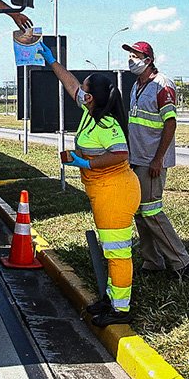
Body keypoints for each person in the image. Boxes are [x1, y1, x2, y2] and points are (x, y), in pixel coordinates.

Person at [38, 42, 141, 326]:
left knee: (118, 253)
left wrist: (85, 163)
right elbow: (69, 83)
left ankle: (121, 310)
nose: (80, 91)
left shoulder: (107, 125)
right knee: (112, 251)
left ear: (92, 97)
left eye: (86, 89)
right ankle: (111, 299)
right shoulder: (90, 111)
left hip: (116, 193)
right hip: (103, 191)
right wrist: (52, 62)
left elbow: (122, 153)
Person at [122, 41, 189, 279]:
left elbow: (170, 123)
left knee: (152, 211)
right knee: (140, 212)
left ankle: (181, 261)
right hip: (137, 158)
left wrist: (158, 159)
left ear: (148, 59)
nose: (131, 59)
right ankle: (152, 261)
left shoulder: (162, 85)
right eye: (130, 55)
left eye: (136, 55)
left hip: (152, 160)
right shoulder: (137, 85)